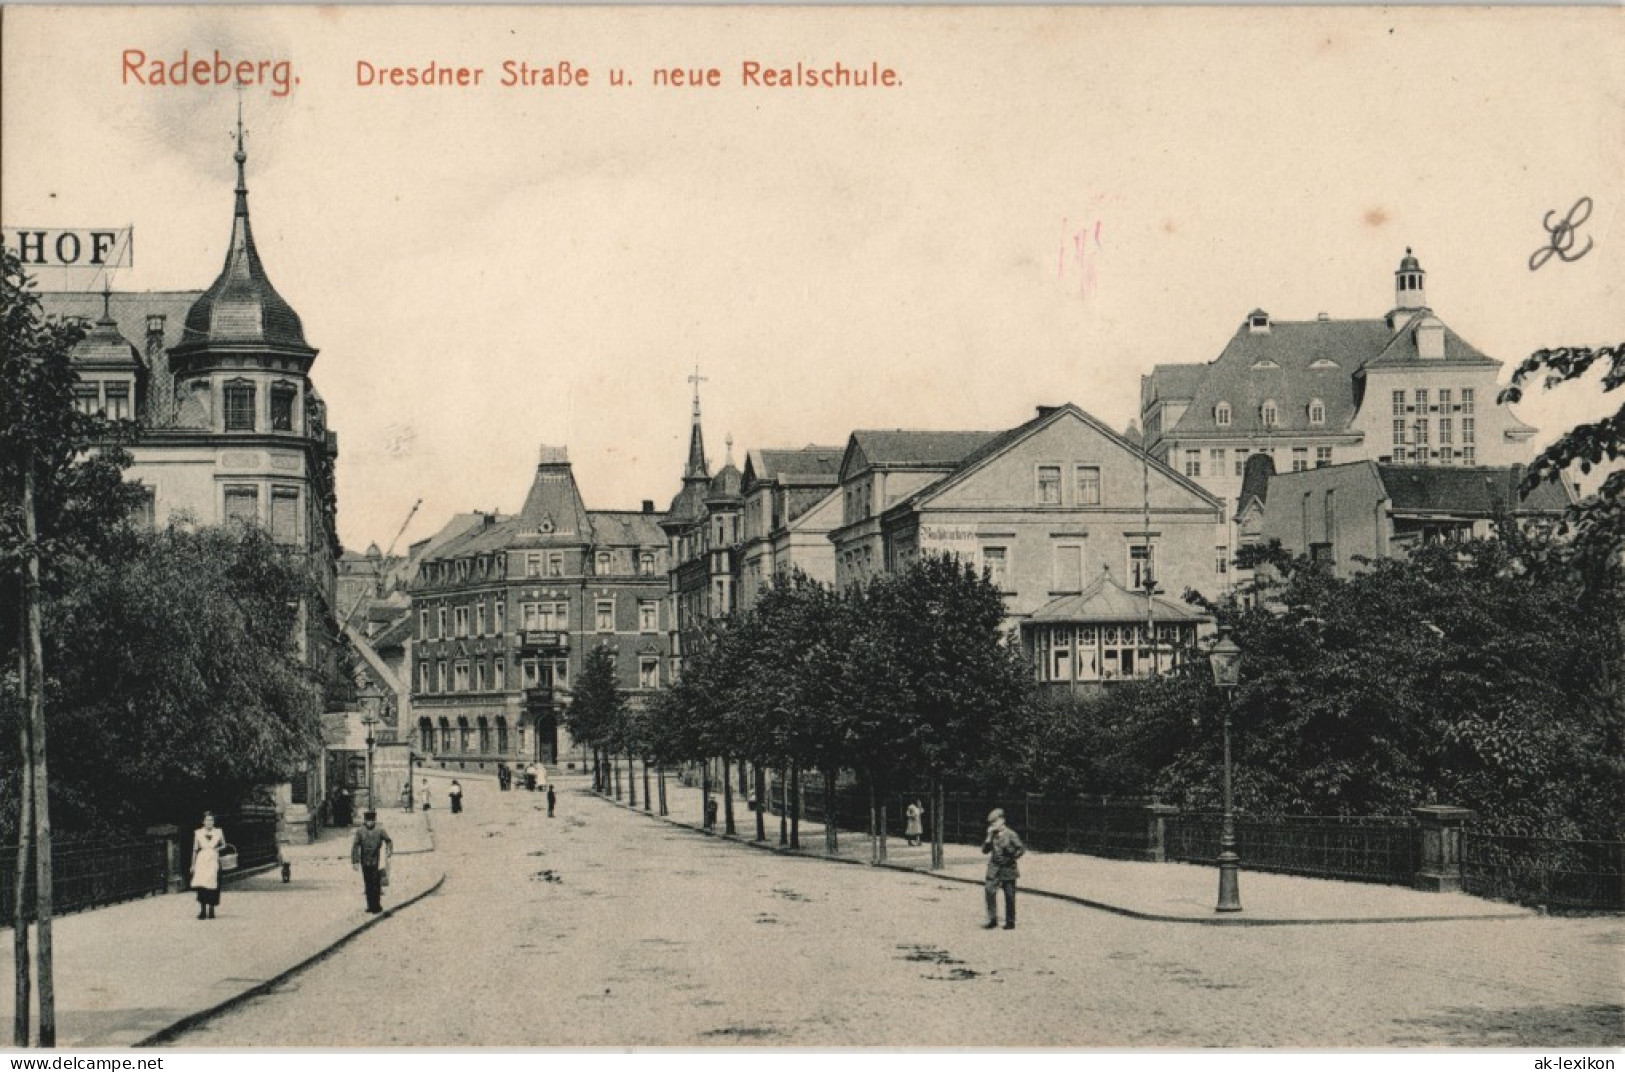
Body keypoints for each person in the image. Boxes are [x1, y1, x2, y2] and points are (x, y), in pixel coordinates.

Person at [981, 807, 1026, 930]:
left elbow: (1021, 849)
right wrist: (988, 838)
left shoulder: (1011, 834)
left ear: (1002, 821)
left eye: (995, 822)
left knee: (1009, 895)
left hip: (1007, 867)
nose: (993, 824)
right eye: (991, 823)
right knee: (989, 890)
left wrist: (1012, 858)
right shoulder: (992, 835)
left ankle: (1010, 921)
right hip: (994, 866)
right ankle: (992, 919)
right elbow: (984, 851)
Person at [351, 810, 394, 914]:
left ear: (374, 820)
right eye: (368, 820)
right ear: (365, 821)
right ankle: (370, 906)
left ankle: (377, 906)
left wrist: (389, 851)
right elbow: (355, 846)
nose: (370, 823)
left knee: (376, 883)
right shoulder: (360, 831)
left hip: (377, 861)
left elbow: (389, 840)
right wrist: (355, 861)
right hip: (364, 860)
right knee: (368, 883)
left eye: (372, 820)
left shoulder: (380, 830)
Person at [190, 811, 225, 920]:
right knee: (202, 884)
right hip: (202, 859)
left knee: (213, 884)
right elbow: (195, 850)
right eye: (207, 820)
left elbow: (224, 844)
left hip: (213, 858)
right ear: (203, 822)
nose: (210, 822)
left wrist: (217, 849)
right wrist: (192, 865)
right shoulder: (198, 833)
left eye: (211, 820)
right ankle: (202, 910)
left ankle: (211, 909)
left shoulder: (218, 832)